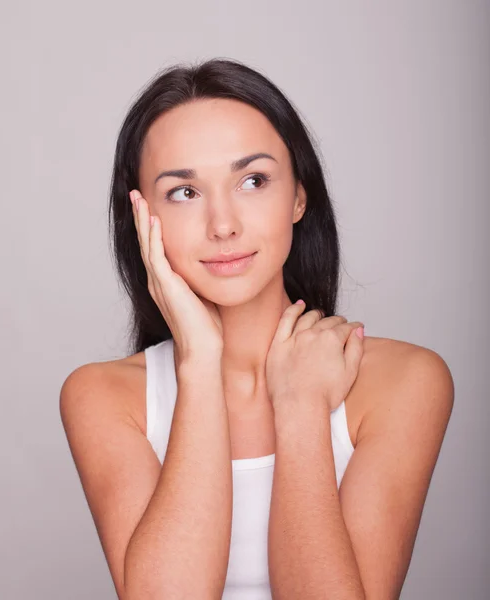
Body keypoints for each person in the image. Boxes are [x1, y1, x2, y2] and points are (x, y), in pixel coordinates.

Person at [60, 57, 454, 599]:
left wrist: (302, 408)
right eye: (184, 192)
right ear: (141, 215)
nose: (223, 225)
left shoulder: (404, 380)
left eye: (253, 180)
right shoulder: (103, 396)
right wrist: (198, 364)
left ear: (298, 195)